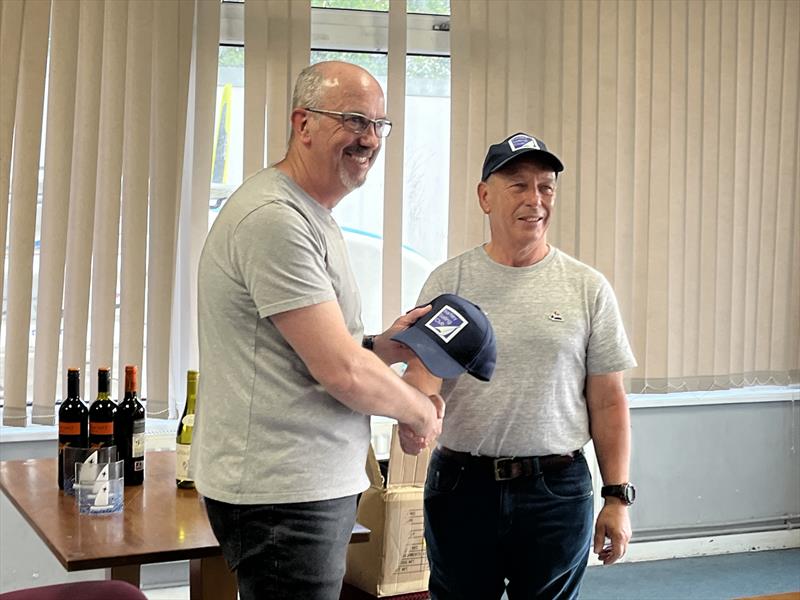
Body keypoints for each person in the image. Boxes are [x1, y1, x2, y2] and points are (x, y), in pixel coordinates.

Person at [191, 61, 444, 600]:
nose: (370, 139)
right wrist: (419, 410)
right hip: (283, 491)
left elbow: (323, 350)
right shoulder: (274, 218)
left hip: (302, 483)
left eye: (379, 125)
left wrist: (382, 346)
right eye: (354, 120)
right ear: (302, 124)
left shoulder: (311, 212)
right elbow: (341, 371)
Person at [399, 132, 637, 599]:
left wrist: (617, 496)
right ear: (485, 196)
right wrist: (417, 411)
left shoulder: (586, 288)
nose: (535, 200)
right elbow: (424, 373)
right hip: (461, 487)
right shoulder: (452, 282)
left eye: (545, 187)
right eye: (518, 186)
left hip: (558, 490)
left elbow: (608, 402)